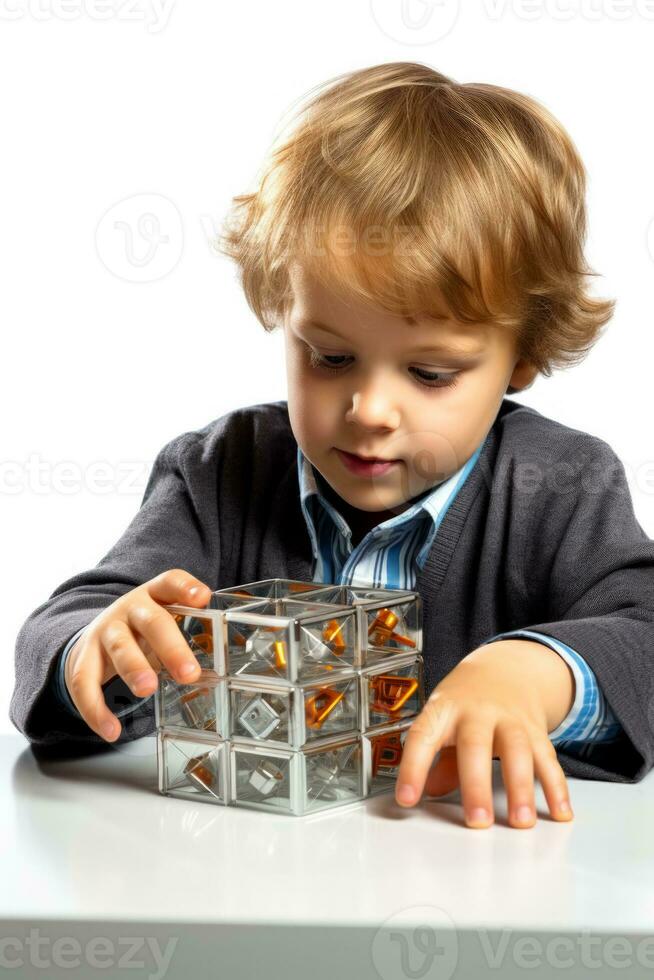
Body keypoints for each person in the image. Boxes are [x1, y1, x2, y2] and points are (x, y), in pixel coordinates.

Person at [11, 62, 654, 830]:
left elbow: (644, 630)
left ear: (522, 356)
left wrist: (539, 673)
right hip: (238, 879)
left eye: (431, 372)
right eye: (330, 356)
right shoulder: (218, 472)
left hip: (480, 880)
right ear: (285, 314)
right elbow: (65, 623)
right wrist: (99, 642)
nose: (370, 410)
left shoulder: (562, 483)